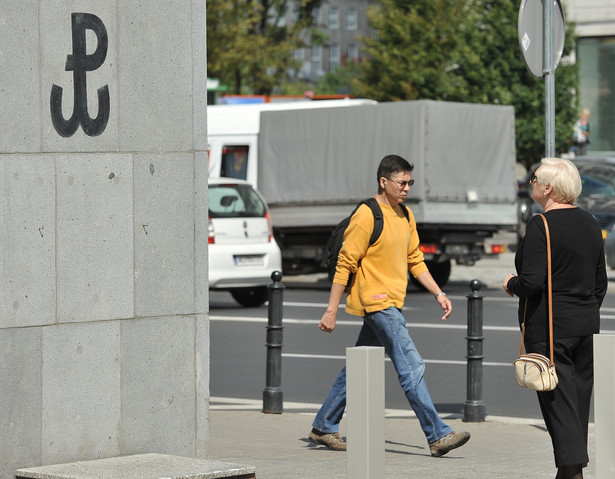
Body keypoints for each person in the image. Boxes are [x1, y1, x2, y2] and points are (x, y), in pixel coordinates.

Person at [308, 154, 471, 457]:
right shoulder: (367, 215)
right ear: (384, 182)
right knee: (411, 366)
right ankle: (437, 434)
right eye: (402, 182)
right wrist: (331, 310)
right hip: (377, 302)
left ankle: (323, 426)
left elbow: (415, 260)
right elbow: (345, 263)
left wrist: (439, 293)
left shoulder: (405, 215)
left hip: (392, 301)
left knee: (356, 367)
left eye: (410, 182)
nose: (407, 188)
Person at [503, 157, 607, 479]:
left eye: (535, 177)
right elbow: (599, 283)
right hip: (584, 330)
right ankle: (570, 474)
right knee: (575, 412)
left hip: (550, 332)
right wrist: (583, 311)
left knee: (560, 415)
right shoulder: (590, 222)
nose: (531, 181)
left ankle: (574, 475)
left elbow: (532, 282)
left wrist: (510, 284)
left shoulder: (541, 224)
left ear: (548, 187)